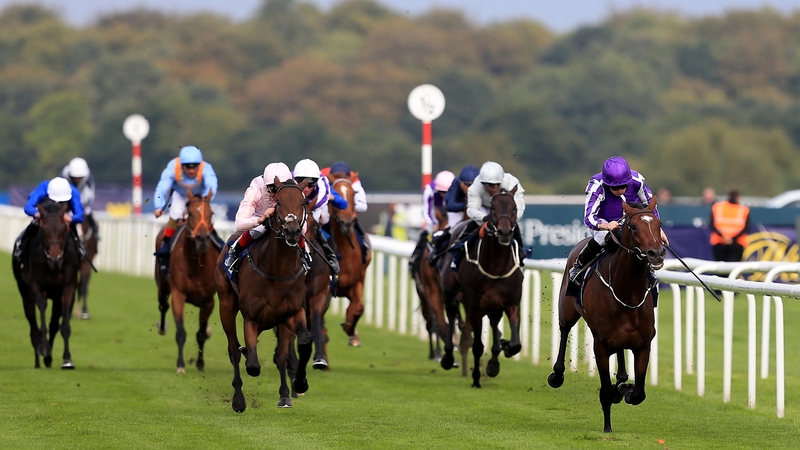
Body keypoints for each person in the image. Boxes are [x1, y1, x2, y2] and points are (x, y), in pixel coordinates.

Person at [568, 156, 669, 286]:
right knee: (604, 237)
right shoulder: (597, 186)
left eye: (623, 186)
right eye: (614, 188)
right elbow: (589, 218)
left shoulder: (637, 181)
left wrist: (658, 230)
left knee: (641, 238)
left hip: (631, 221)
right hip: (604, 221)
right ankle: (578, 266)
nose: (619, 190)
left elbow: (650, 206)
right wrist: (605, 225)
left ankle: (648, 272)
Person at [153, 145, 223, 274]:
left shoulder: (206, 168)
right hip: (181, 195)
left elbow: (212, 185)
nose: (191, 170)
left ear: (199, 165)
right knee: (175, 214)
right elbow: (162, 188)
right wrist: (158, 205)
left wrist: (205, 201)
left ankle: (218, 243)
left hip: (200, 197)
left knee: (202, 217)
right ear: (182, 165)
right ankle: (166, 247)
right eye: (188, 167)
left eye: (194, 166)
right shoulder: (173, 167)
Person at [448, 161, 526, 269]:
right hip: (484, 207)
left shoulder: (512, 184)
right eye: (488, 185)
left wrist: (507, 220)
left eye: (495, 185)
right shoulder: (476, 187)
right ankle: (458, 251)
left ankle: (521, 255)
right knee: (472, 225)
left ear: (500, 182)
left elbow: (519, 208)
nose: (492, 189)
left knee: (512, 227)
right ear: (482, 183)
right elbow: (471, 210)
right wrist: (483, 218)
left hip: (504, 210)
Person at [223, 162, 296, 274]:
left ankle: (306, 257)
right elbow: (239, 223)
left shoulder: (294, 190)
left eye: (279, 188)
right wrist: (260, 219)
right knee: (260, 229)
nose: (275, 193)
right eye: (272, 188)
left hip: (284, 223)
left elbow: (303, 225)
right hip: (260, 222)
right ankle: (234, 253)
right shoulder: (256, 189)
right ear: (265, 185)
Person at [292, 158, 347, 282]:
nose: (306, 187)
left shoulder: (323, 184)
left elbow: (344, 205)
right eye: (301, 181)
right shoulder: (288, 180)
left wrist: (333, 198)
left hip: (315, 211)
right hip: (293, 212)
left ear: (317, 180)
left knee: (322, 225)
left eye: (311, 182)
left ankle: (331, 258)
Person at [13, 176, 85, 263]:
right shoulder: (43, 187)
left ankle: (80, 251)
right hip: (44, 218)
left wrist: (71, 218)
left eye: (62, 201)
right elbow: (28, 207)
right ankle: (20, 248)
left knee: (74, 234)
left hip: (63, 219)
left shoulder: (73, 192)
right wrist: (36, 213)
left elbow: (80, 215)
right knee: (30, 229)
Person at [429, 165, 479, 262]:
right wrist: (466, 206)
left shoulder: (483, 186)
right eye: (467, 185)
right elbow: (450, 206)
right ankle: (438, 254)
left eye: (473, 185)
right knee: (453, 231)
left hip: (476, 207)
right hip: (457, 211)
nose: (469, 189)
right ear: (460, 183)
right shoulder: (455, 184)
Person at [322, 161, 370, 259]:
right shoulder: (323, 179)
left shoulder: (355, 182)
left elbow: (363, 206)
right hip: (328, 218)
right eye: (337, 177)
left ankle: (364, 257)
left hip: (350, 219)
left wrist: (348, 207)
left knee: (362, 243)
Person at [409, 170, 455, 267]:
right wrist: (433, 224)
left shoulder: (456, 190)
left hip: (450, 218)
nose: (444, 195)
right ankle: (415, 258)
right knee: (425, 235)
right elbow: (426, 211)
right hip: (434, 217)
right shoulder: (429, 190)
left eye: (447, 192)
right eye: (442, 192)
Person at [62, 157, 98, 238]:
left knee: (87, 211)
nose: (77, 179)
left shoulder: (88, 177)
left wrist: (84, 204)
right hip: (68, 194)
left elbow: (90, 193)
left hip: (82, 194)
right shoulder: (64, 175)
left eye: (79, 177)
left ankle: (95, 231)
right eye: (75, 177)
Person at [709, 190, 750, 262]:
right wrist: (732, 239)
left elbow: (712, 224)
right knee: (733, 269)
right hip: (737, 243)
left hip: (720, 242)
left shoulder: (718, 207)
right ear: (737, 197)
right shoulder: (743, 209)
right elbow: (746, 227)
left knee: (719, 269)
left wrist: (723, 237)